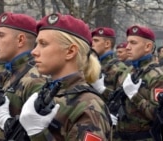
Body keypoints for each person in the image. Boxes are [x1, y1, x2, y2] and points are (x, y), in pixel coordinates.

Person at [18, 13, 112, 141]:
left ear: (70, 51)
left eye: (43, 44)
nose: (34, 51)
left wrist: (38, 134)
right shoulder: (47, 93)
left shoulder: (88, 105)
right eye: (36, 44)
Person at [0, 12, 46, 140]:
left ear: (20, 40)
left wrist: (4, 122)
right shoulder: (13, 72)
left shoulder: (35, 79)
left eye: (1, 35)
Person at [113, 25, 163, 140]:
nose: (128, 47)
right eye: (128, 43)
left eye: (133, 43)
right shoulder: (127, 72)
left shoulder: (159, 76)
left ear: (148, 47)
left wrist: (135, 96)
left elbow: (159, 115)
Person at [90, 27, 129, 102]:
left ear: (107, 44)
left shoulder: (119, 68)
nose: (92, 44)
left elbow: (122, 99)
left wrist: (102, 90)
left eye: (96, 41)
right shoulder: (92, 64)